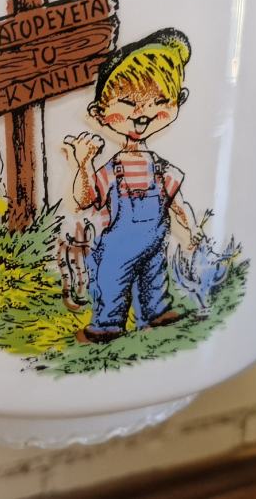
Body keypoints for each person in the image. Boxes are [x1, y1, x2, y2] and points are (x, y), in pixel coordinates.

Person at [64, 28, 201, 344]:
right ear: (99, 113)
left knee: (154, 276)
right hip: (119, 242)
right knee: (111, 278)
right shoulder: (113, 168)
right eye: (127, 104)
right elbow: (85, 199)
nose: (141, 116)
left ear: (177, 101)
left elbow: (176, 202)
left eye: (158, 102)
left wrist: (188, 228)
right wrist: (83, 164)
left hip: (154, 238)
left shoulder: (160, 168)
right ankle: (107, 324)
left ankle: (156, 312)